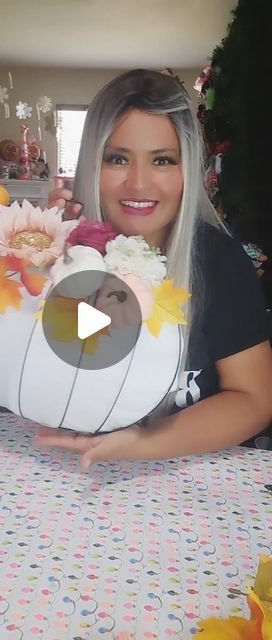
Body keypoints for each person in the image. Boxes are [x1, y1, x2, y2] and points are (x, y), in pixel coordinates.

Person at [35, 68, 272, 469]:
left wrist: (142, 443)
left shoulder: (219, 263)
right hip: (68, 470)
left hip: (187, 481)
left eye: (163, 160)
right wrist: (36, 260)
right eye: (117, 159)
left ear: (187, 171)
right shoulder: (60, 255)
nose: (139, 184)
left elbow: (254, 398)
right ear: (93, 163)